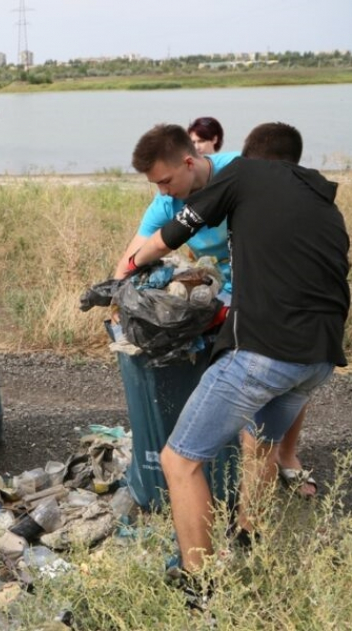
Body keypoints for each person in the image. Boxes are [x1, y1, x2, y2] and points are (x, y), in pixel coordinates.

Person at [120, 124, 349, 587]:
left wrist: (128, 270)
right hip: (320, 359)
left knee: (179, 461)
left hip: (265, 352)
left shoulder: (242, 174)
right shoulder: (325, 205)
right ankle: (248, 539)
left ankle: (199, 583)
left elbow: (170, 235)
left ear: (249, 157)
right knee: (259, 443)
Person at [240, 122, 316, 497]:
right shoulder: (239, 181)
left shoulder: (297, 198)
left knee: (270, 410)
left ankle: (286, 457)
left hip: (288, 323)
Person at [114, 125, 238, 293]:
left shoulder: (239, 168)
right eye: (156, 183)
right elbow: (128, 263)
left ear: (188, 163)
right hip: (217, 290)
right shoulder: (165, 203)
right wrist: (116, 303)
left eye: (166, 181)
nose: (163, 191)